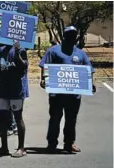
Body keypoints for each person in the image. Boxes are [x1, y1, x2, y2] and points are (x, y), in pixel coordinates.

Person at [39, 26, 96, 154]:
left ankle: (69, 143)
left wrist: (90, 84)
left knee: (71, 119)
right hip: (56, 94)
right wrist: (43, 79)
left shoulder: (81, 53)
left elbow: (89, 70)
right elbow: (44, 65)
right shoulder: (54, 51)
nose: (72, 37)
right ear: (64, 36)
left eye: (74, 35)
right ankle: (52, 143)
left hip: (74, 95)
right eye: (69, 34)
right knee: (55, 118)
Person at [0, 40, 29, 157]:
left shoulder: (21, 50)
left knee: (18, 117)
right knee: (2, 118)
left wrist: (16, 53)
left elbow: (23, 66)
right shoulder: (0, 51)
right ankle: (4, 147)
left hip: (16, 90)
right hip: (1, 89)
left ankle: (21, 148)